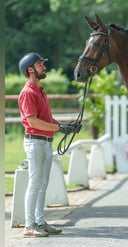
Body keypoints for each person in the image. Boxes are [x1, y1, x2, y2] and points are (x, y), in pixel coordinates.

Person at [18, 52, 79, 237]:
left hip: (44, 142)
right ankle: (29, 225)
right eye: (40, 65)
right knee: (35, 183)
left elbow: (46, 118)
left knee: (42, 184)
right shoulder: (28, 93)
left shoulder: (40, 91)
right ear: (31, 70)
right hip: (35, 142)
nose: (44, 67)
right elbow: (33, 121)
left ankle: (40, 222)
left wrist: (64, 126)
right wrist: (58, 129)